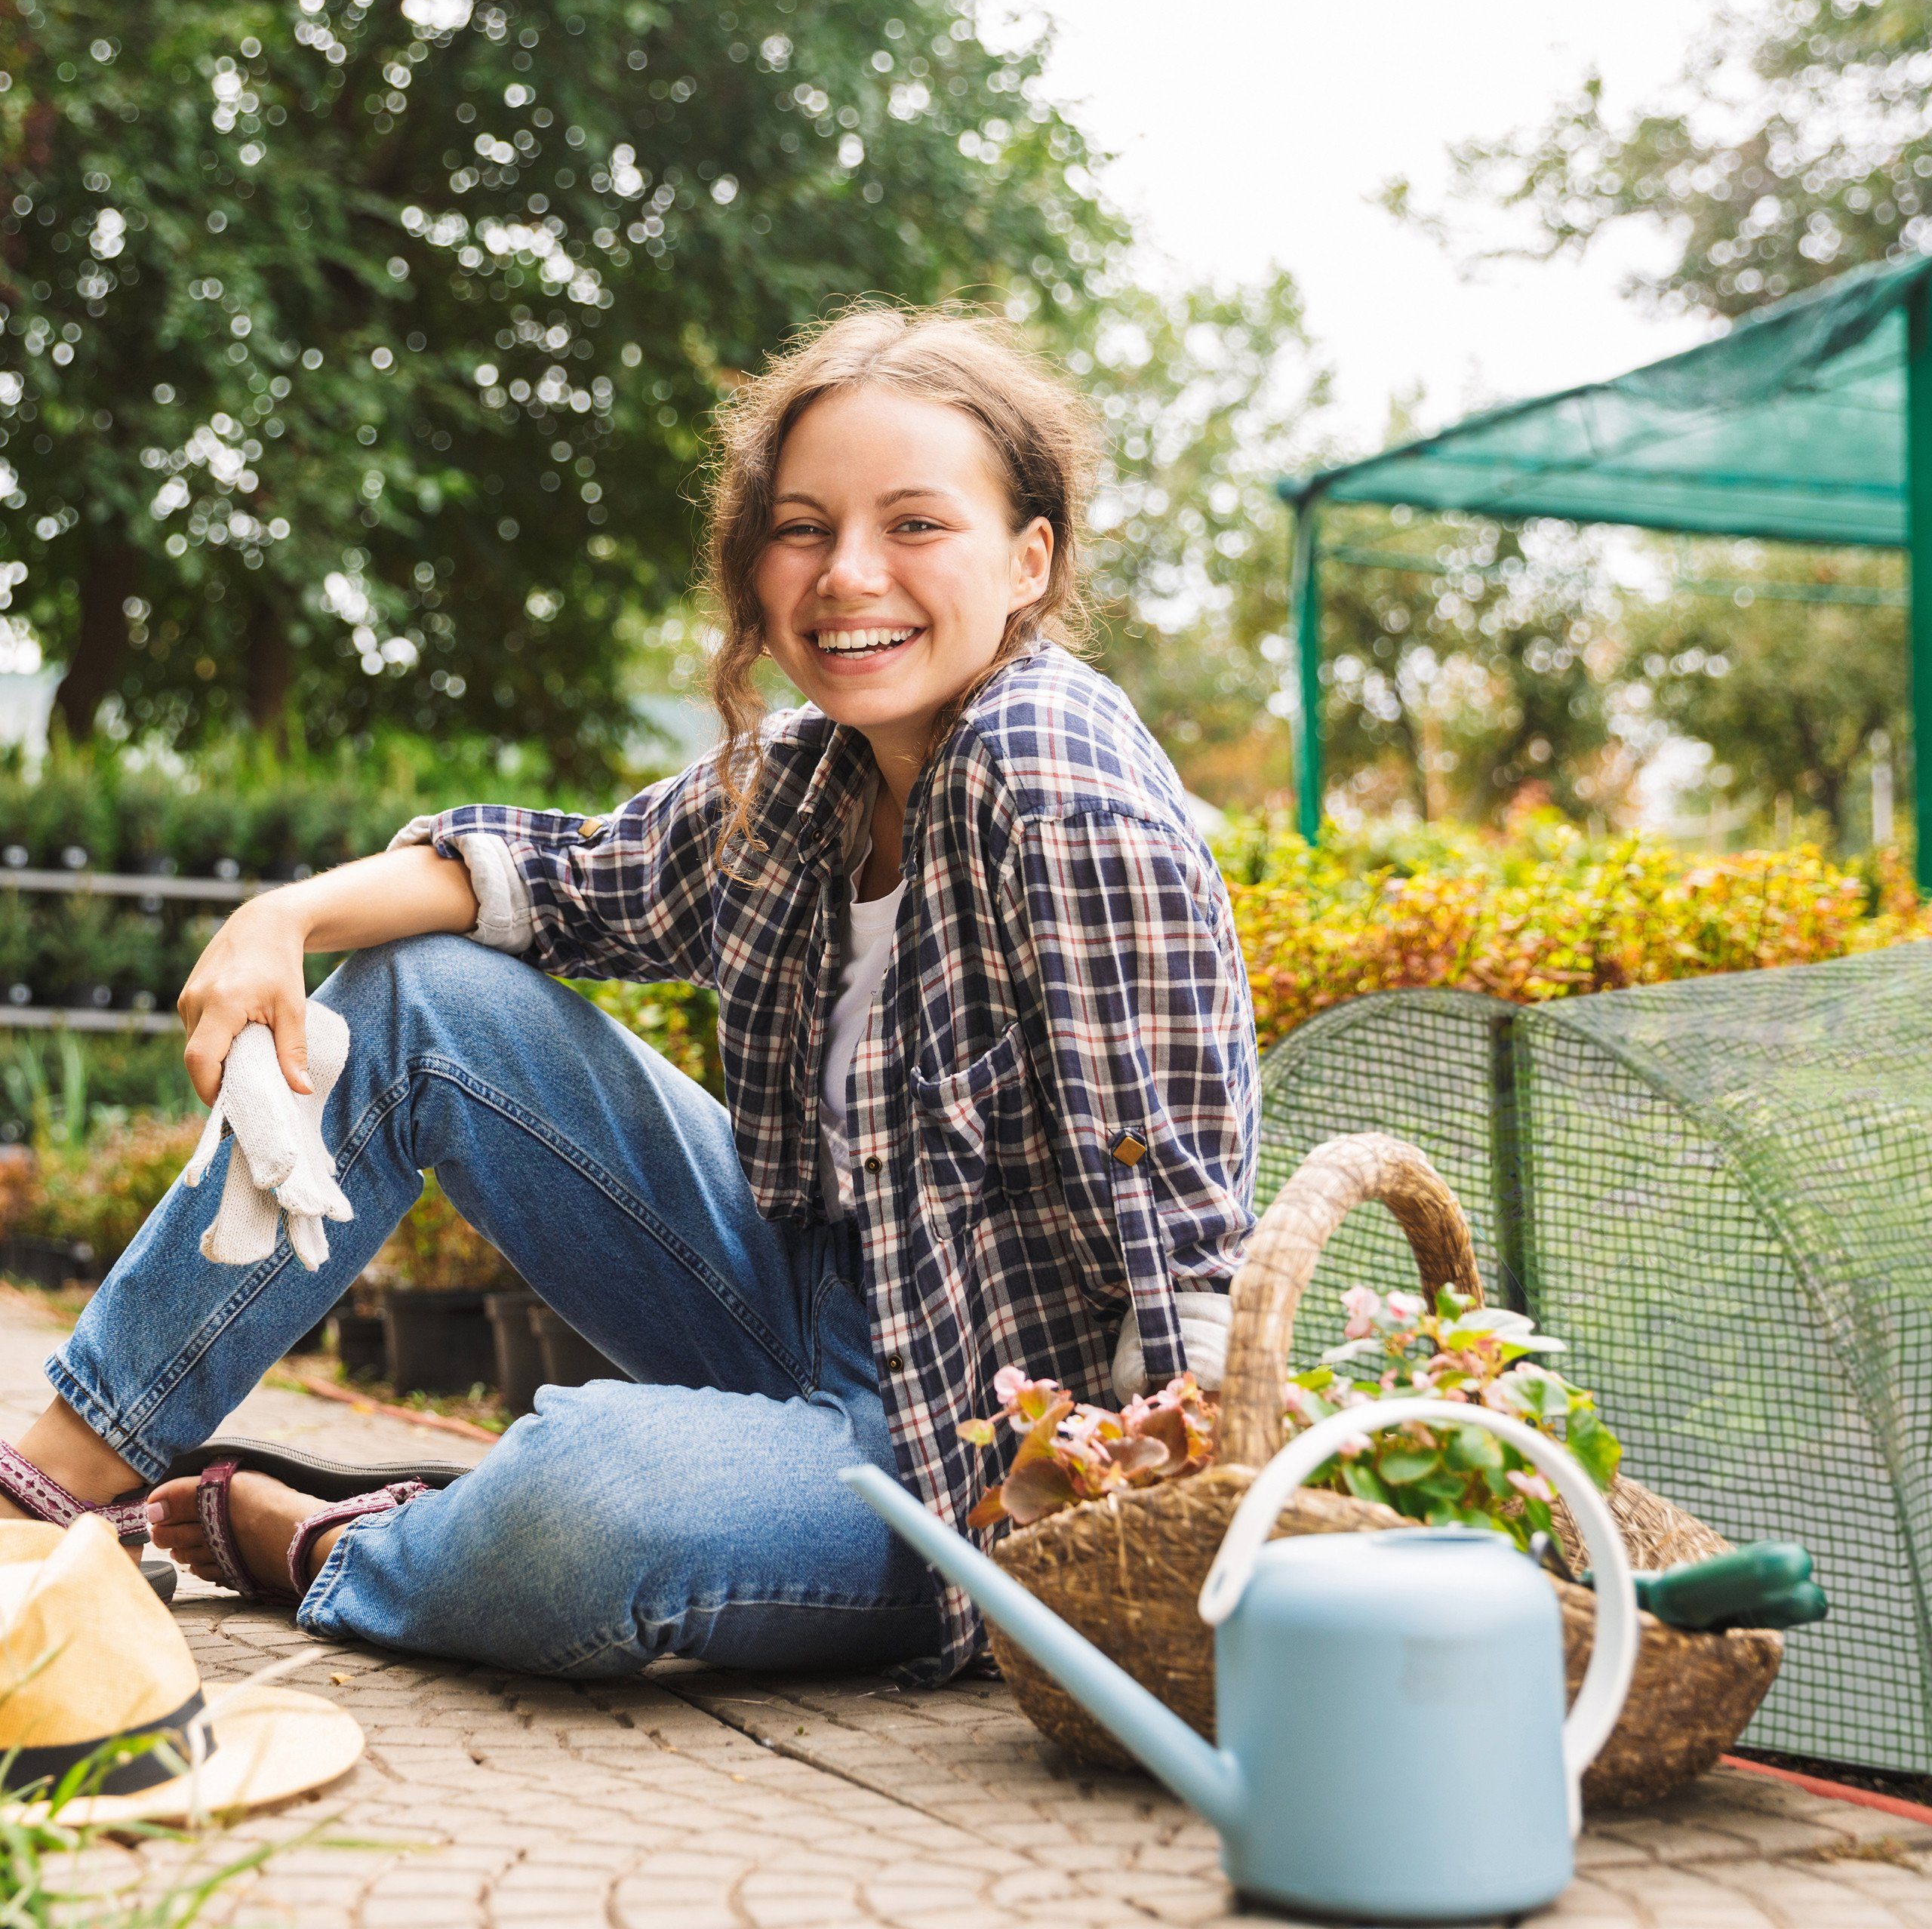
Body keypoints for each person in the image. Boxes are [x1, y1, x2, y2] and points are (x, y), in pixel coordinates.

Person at [0, 307, 1258, 1681]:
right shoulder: (807, 782)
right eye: (803, 528)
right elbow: (549, 876)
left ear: (1028, 561)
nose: (849, 573)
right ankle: (61, 1483)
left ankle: (330, 1544)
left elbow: (1178, 1225)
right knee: (418, 997)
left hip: (970, 1454)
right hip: (808, 1300)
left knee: (600, 1496)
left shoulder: (1054, 776)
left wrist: (1158, 1548)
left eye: (915, 524)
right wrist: (277, 920)